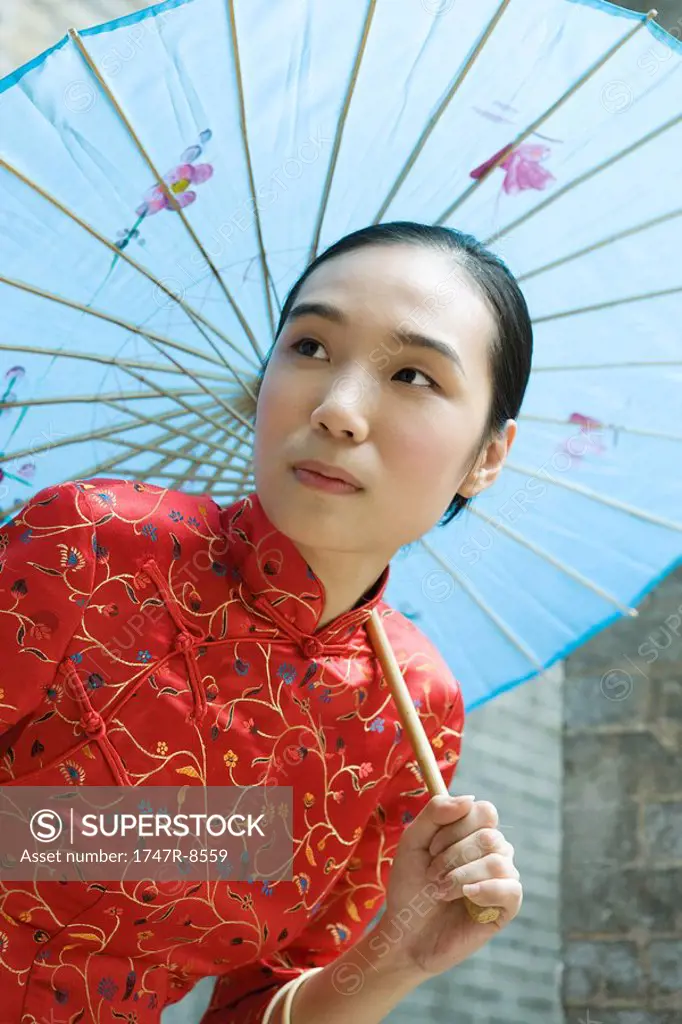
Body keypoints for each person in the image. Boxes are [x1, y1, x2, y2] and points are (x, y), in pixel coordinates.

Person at [0, 221, 531, 1023]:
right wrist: (195, 835)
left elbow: (257, 1010)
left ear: (489, 456)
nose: (339, 410)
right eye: (311, 347)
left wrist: (399, 954)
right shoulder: (92, 544)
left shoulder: (414, 707)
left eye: (415, 375)